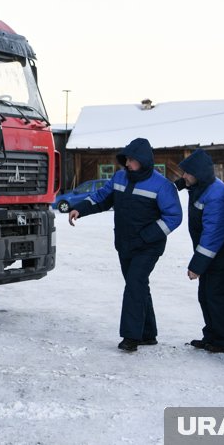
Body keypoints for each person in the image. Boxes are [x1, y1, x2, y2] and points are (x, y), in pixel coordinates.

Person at [69, 138, 182, 352]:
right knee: (138, 286)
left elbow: (173, 217)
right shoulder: (120, 177)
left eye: (132, 160)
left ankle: (131, 337)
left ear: (144, 161)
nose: (127, 164)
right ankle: (148, 333)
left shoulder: (162, 185)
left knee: (134, 285)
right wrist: (81, 208)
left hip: (148, 247)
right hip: (124, 244)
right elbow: (103, 197)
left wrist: (146, 236)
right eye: (126, 159)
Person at [175, 149, 224, 353]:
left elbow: (213, 234)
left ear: (199, 174)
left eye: (187, 173)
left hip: (221, 256)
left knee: (216, 297)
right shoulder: (202, 186)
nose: (183, 176)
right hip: (212, 256)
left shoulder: (217, 195)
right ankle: (212, 336)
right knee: (206, 295)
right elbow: (184, 184)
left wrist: (197, 266)